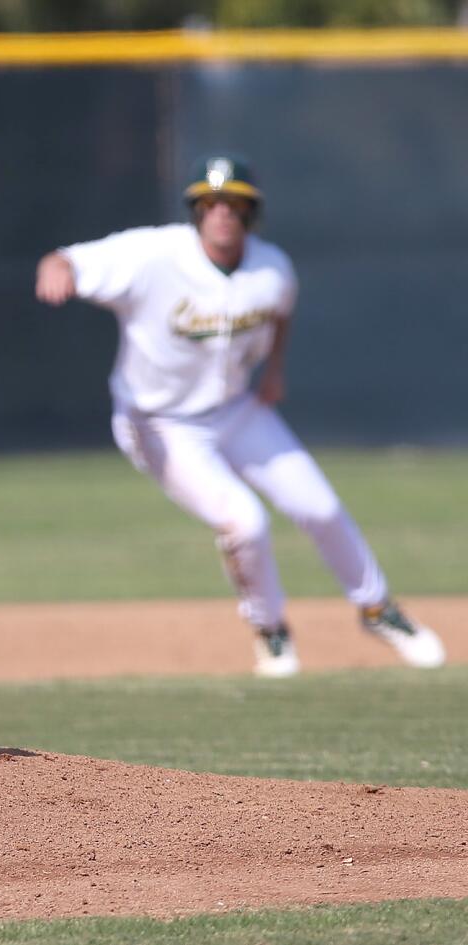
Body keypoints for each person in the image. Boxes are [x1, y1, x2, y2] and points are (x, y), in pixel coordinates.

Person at [34, 155, 446, 678]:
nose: (221, 212)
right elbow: (65, 259)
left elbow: (282, 310)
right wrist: (57, 268)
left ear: (252, 213)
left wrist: (274, 369)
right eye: (210, 202)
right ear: (196, 211)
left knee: (319, 506)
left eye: (234, 203)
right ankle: (271, 630)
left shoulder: (271, 266)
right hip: (162, 424)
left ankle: (378, 609)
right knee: (244, 522)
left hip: (237, 408)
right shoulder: (153, 254)